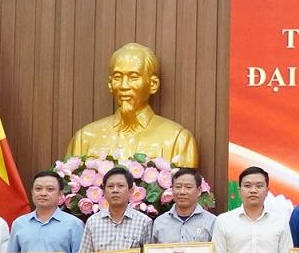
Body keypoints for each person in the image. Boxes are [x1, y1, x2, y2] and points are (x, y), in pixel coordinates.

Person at [65, 42, 199, 166]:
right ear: (110, 84)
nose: (124, 86)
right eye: (117, 77)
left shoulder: (177, 139)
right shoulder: (84, 138)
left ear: (153, 84)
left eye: (133, 77)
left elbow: (185, 182)